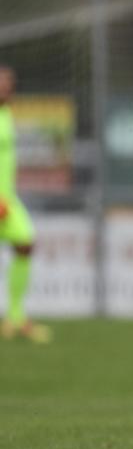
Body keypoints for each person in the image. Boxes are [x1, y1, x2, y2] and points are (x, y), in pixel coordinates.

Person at [0, 65, 50, 344]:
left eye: (9, 83)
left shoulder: (6, 115)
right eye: (1, 83)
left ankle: (15, 317)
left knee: (25, 243)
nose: (6, 88)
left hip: (7, 202)